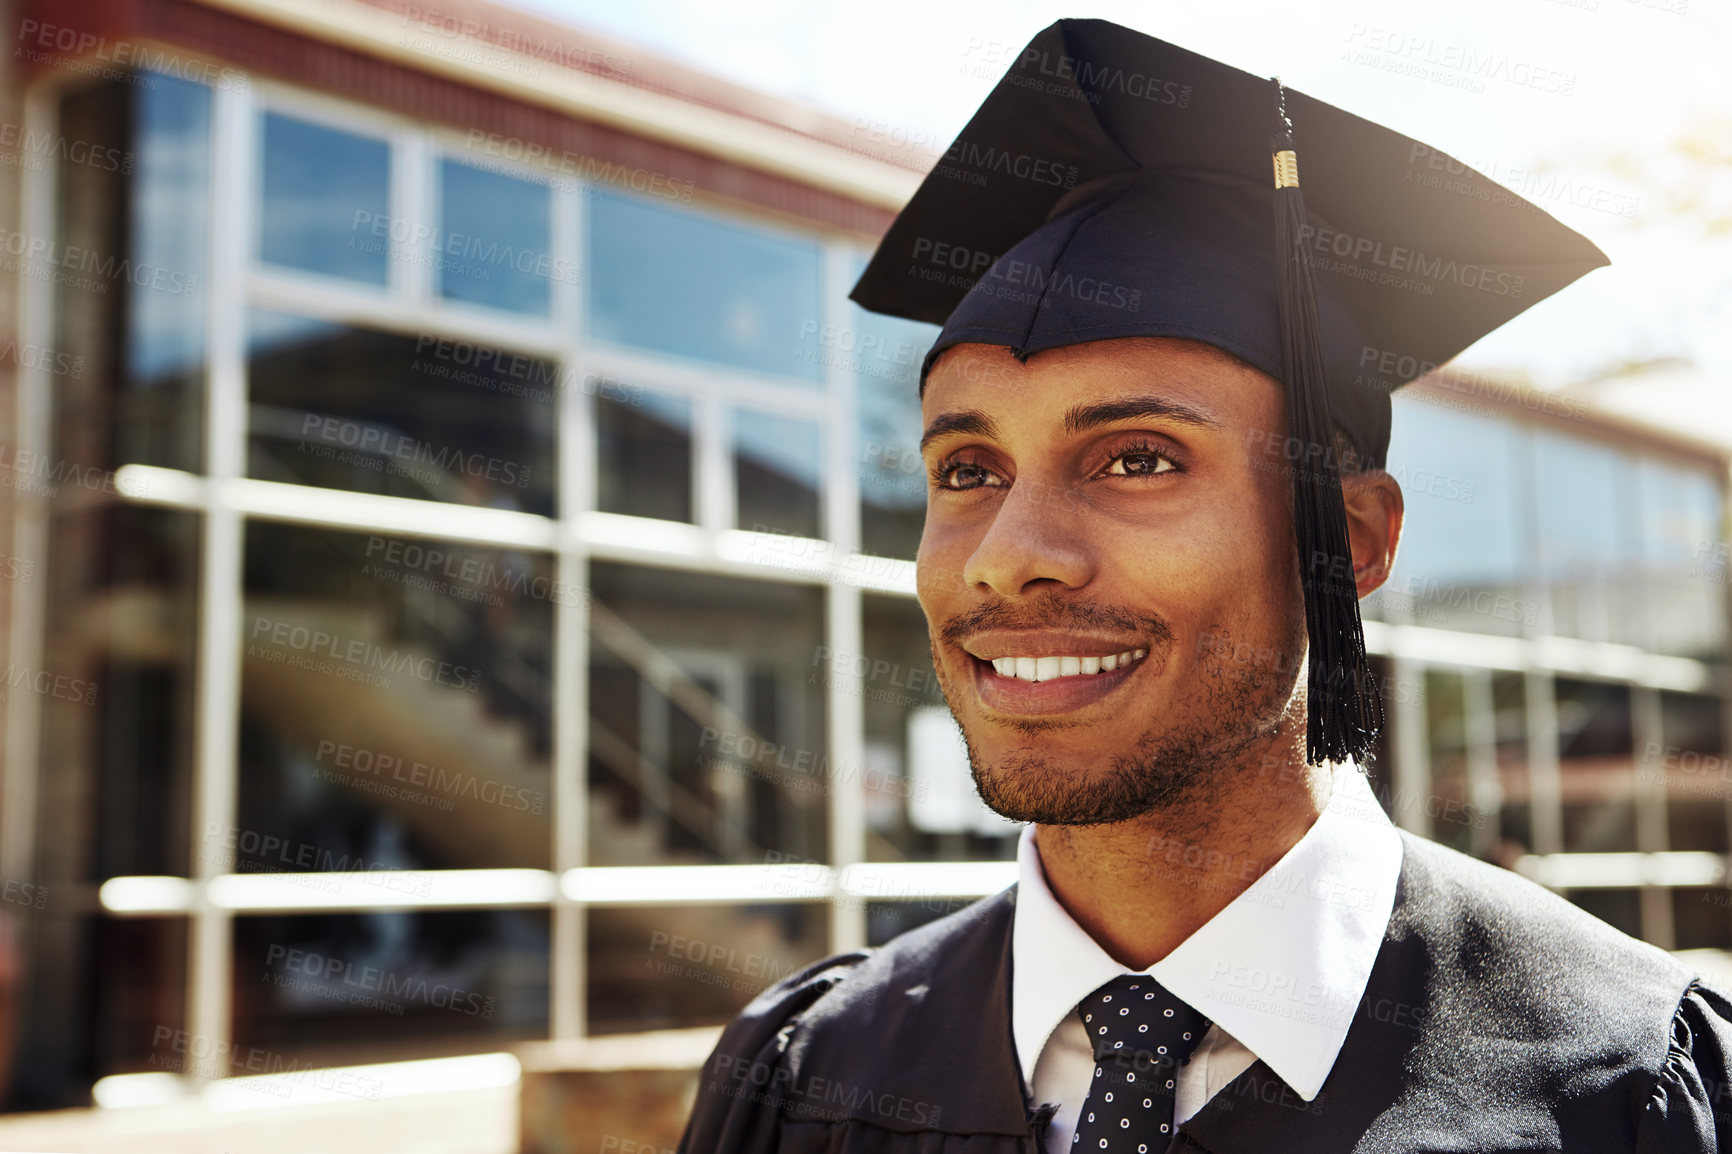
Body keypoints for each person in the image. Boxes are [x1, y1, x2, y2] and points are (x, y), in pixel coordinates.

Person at [678, 18, 1732, 1153]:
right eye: (967, 469)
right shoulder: (811, 1074)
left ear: (1352, 538)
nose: (1006, 551)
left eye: (1137, 458)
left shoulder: (1623, 1085)